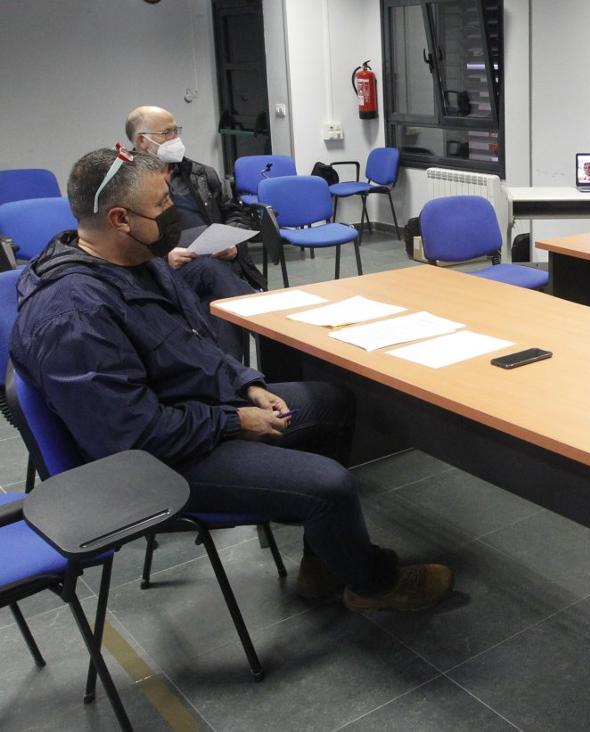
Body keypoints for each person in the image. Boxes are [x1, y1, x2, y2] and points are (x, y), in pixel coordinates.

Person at [10, 147, 453, 613]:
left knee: (332, 402)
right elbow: (131, 436)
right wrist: (234, 422)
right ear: (120, 218)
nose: (172, 214)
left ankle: (326, 561)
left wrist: (248, 386)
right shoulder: (73, 316)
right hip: (147, 465)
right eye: (161, 205)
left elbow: (194, 344)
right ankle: (372, 584)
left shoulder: (137, 260)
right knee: (330, 485)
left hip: (191, 416)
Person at [127, 105, 262, 362]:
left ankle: (230, 378)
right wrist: (163, 258)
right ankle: (268, 324)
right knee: (211, 270)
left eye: (176, 130)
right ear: (142, 141)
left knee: (216, 300)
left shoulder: (200, 174)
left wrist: (234, 244)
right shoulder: (125, 183)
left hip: (217, 263)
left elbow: (234, 213)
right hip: (163, 273)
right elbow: (120, 242)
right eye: (167, 132)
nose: (175, 138)